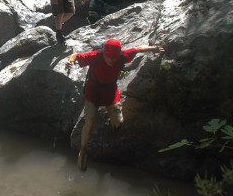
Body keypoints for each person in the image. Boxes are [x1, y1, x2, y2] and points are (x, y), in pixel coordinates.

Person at [65, 38, 165, 171]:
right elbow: (76, 55)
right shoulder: (96, 56)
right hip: (93, 90)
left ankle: (112, 130)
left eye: (114, 57)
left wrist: (155, 48)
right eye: (109, 57)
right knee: (90, 121)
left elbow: (138, 49)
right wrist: (70, 62)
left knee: (118, 121)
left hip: (110, 90)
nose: (112, 60)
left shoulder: (122, 56)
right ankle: (82, 151)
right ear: (104, 53)